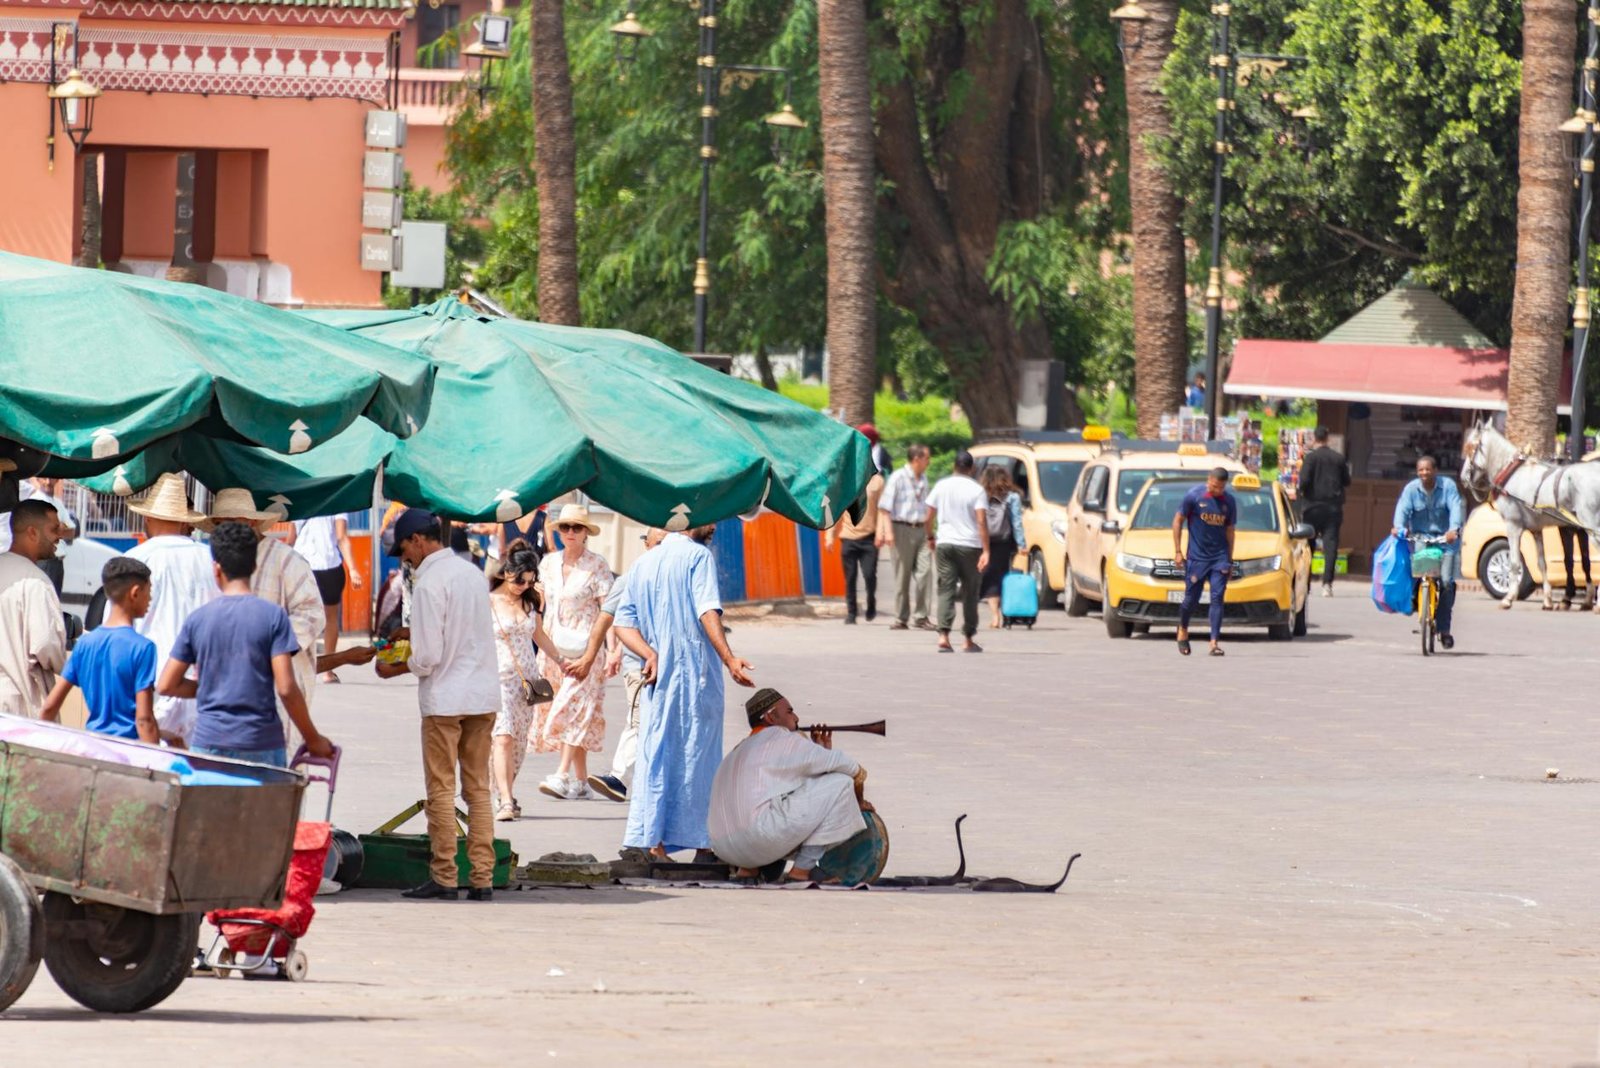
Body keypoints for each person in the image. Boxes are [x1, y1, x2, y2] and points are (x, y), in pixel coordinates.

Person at [374, 509, 500, 901]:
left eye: (404, 551)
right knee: (478, 790)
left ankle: (445, 875)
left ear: (417, 541)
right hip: (481, 695)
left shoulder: (428, 583)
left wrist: (393, 667)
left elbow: (427, 657)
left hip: (445, 698)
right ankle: (482, 878)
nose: (404, 559)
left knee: (442, 790)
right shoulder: (472, 575)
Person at [613, 524, 755, 861]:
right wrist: (729, 658)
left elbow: (622, 622)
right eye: (710, 519)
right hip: (694, 675)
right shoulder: (697, 556)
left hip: (658, 681)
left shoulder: (642, 563)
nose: (715, 526)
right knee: (698, 756)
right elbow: (707, 610)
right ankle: (704, 843)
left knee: (657, 754)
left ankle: (652, 842)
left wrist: (649, 653)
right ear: (690, 522)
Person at [156, 522, 333, 766]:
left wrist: (210, 689)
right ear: (253, 566)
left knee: (211, 805)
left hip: (210, 741)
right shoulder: (273, 617)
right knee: (264, 805)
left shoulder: (198, 620)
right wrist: (312, 738)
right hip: (261, 743)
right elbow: (285, 688)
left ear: (216, 569)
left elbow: (166, 684)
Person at [199, 490, 323, 747]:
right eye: (221, 524)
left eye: (234, 522)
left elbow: (311, 614)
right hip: (225, 687)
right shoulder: (211, 561)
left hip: (277, 684)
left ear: (252, 522)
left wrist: (270, 649)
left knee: (278, 765)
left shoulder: (287, 560)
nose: (227, 530)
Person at [709, 688, 870, 882]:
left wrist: (817, 750)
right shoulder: (781, 737)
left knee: (762, 802)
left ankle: (748, 870)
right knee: (842, 783)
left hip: (723, 847)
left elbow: (790, 784)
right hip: (759, 837)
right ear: (770, 717)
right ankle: (802, 871)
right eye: (789, 711)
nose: (796, 717)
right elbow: (850, 767)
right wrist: (858, 799)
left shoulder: (736, 751)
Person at [572, 527, 668, 803]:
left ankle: (647, 782)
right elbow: (606, 618)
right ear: (647, 545)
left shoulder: (674, 578)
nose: (662, 550)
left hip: (670, 665)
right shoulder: (631, 579)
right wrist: (593, 656)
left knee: (653, 724)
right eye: (657, 543)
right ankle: (619, 778)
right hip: (639, 666)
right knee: (639, 720)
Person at [532, 505, 616, 800]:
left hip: (586, 651)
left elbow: (609, 610)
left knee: (570, 708)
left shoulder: (597, 565)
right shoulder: (548, 564)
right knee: (576, 714)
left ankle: (561, 774)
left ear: (585, 533)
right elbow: (539, 603)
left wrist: (614, 650)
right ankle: (581, 782)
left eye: (576, 528)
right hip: (554, 650)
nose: (570, 533)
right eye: (565, 527)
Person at [125, 473, 216, 744]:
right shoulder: (211, 560)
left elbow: (117, 628)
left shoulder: (134, 560)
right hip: (199, 690)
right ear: (185, 521)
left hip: (147, 691)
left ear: (148, 518)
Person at [487, 538, 567, 820]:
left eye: (530, 582)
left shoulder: (531, 603)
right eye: (519, 580)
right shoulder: (488, 602)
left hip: (527, 684)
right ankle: (506, 802)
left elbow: (539, 635)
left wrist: (560, 660)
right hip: (497, 681)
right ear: (506, 572)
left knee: (518, 745)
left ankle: (502, 791)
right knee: (503, 738)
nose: (524, 586)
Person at [40, 558, 159, 744]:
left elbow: (49, 707)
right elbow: (144, 720)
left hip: (94, 747)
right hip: (128, 750)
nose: (150, 599)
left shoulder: (85, 644)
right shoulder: (143, 648)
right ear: (135, 593)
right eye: (149, 591)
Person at [0, 499, 67, 716]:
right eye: (54, 529)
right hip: (18, 708)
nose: (59, 536)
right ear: (32, 532)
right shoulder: (36, 582)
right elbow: (46, 644)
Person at [1391, 455, 1465, 650]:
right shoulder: (1411, 490)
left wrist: (1454, 529)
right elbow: (1402, 510)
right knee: (1418, 575)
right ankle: (1418, 604)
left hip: (1445, 540)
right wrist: (1399, 527)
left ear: (1435, 470)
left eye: (1427, 470)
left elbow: (1456, 508)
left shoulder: (1448, 486)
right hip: (1422, 538)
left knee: (1447, 582)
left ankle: (1444, 629)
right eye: (1420, 470)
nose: (1424, 473)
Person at [925, 450, 991, 653]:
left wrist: (930, 537)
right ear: (971, 468)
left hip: (945, 544)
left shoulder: (941, 486)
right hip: (970, 545)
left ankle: (943, 636)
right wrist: (986, 550)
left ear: (954, 466)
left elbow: (928, 516)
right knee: (970, 592)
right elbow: (981, 521)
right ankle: (968, 639)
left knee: (946, 588)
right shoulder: (977, 490)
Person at [290, 514, 364, 683]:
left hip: (301, 564)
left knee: (300, 618)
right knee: (331, 619)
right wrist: (352, 568)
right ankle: (327, 672)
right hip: (328, 565)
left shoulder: (302, 499)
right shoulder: (338, 502)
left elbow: (291, 539)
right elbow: (341, 537)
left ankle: (300, 668)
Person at [1173, 467, 1238, 657]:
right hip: (1197, 557)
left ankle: (1214, 642)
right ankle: (1183, 628)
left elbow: (1230, 531)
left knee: (1217, 597)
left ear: (1225, 485)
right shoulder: (1193, 496)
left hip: (1219, 557)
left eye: (1219, 487)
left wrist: (1229, 560)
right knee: (1190, 600)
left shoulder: (1229, 502)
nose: (1215, 489)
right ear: (1208, 480)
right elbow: (1178, 521)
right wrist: (1178, 551)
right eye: (1213, 485)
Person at [878, 444, 934, 630]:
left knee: (925, 572)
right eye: (927, 458)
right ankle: (901, 618)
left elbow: (927, 507)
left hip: (921, 529)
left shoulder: (924, 479)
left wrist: (930, 533)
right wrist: (889, 533)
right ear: (917, 459)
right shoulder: (898, 478)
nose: (929, 462)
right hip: (901, 529)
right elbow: (885, 508)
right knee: (902, 576)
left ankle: (921, 616)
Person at [825, 453, 885, 626]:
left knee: (869, 575)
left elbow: (882, 510)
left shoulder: (877, 482)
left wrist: (880, 533)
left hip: (869, 538)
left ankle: (871, 602)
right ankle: (851, 613)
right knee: (850, 577)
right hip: (848, 538)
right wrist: (830, 536)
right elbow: (835, 511)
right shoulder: (844, 483)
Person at [1297, 427, 1350, 597]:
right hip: (1333, 508)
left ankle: (1306, 581)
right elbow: (1347, 481)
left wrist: (1301, 493)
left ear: (1314, 438)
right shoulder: (1338, 458)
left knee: (1308, 545)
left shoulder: (1311, 458)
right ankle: (1327, 584)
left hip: (1311, 507)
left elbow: (1303, 481)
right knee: (1331, 545)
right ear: (1327, 438)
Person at [978, 465, 1023, 629]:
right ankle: (1006, 612)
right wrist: (1022, 544)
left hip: (985, 540)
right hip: (1005, 541)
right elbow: (1017, 522)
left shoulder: (981, 495)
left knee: (989, 577)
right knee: (1003, 576)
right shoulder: (1012, 497)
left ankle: (995, 615)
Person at [1558, 526, 1592, 609]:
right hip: (1566, 519)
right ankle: (1570, 590)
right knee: (1568, 557)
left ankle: (1589, 587)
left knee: (1585, 554)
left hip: (1582, 516)